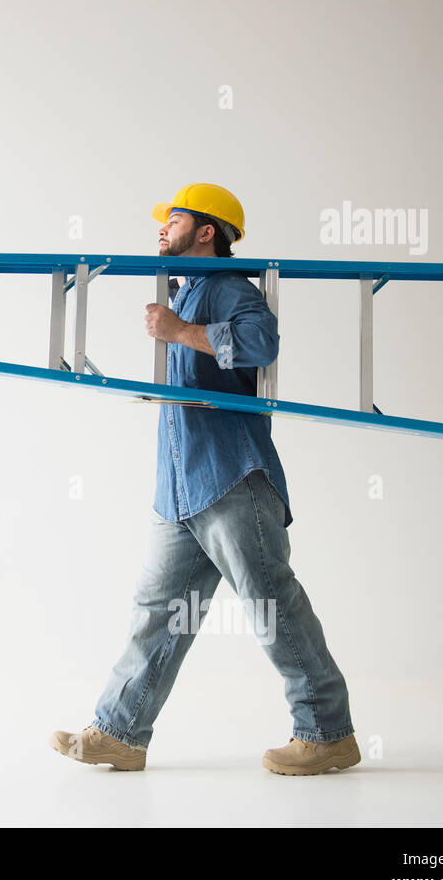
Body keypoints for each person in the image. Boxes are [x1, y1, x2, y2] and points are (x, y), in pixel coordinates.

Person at [49, 183, 360, 776]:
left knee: (271, 604)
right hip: (179, 487)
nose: (161, 229)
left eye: (174, 220)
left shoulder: (227, 288)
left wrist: (180, 332)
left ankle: (326, 734)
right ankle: (120, 731)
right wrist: (176, 323)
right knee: (158, 609)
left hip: (230, 477)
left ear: (207, 231)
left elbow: (261, 342)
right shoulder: (185, 291)